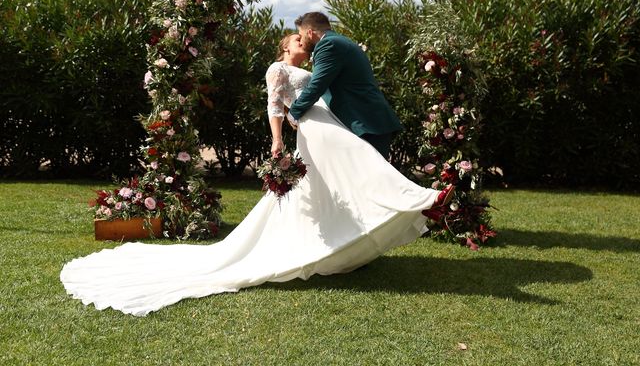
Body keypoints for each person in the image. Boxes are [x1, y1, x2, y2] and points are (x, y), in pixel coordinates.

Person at [60, 32, 454, 317]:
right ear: (285, 47)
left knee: (347, 172)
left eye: (305, 39)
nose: (304, 42)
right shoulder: (277, 68)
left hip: (323, 124)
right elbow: (274, 106)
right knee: (362, 159)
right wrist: (277, 141)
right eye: (298, 39)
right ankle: (423, 199)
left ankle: (358, 229)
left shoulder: (316, 68)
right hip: (312, 129)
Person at [288, 12, 401, 159]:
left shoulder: (329, 44)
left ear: (309, 33)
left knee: (372, 179)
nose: (301, 42)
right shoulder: (340, 41)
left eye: (301, 35)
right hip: (368, 121)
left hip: (365, 123)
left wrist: (294, 112)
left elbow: (317, 85)